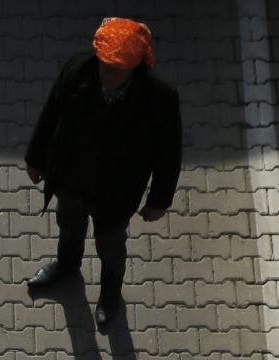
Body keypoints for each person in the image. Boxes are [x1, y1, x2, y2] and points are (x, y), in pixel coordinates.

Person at [25, 17, 182, 329]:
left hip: (117, 192)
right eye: (104, 65)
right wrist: (36, 158)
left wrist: (159, 201)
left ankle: (111, 291)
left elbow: (169, 154)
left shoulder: (159, 99)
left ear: (134, 66)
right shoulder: (78, 69)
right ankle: (67, 266)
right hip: (72, 177)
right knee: (69, 224)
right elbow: (52, 112)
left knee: (111, 244)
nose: (108, 74)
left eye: (117, 68)